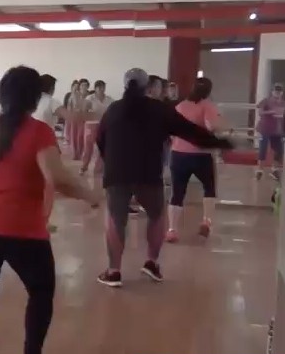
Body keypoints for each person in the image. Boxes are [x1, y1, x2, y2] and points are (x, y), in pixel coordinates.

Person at [0, 66, 99, 354]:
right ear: (34, 99)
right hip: (21, 227)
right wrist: (93, 197)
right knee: (41, 290)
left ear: (2, 96)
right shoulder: (39, 132)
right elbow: (57, 178)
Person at [96, 68, 233, 288]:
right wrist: (221, 143)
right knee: (156, 216)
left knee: (115, 219)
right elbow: (190, 132)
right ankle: (151, 262)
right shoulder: (159, 110)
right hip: (148, 172)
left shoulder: (113, 109)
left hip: (117, 172)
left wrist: (110, 160)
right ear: (146, 86)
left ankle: (114, 272)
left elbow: (100, 138)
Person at [166, 78, 228, 243]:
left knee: (177, 192)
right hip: (201, 154)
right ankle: (206, 220)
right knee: (209, 188)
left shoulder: (179, 106)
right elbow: (211, 126)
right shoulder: (207, 105)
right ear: (208, 91)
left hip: (178, 154)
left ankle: (172, 230)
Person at [33, 74, 67, 233]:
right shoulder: (51, 101)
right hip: (46, 144)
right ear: (51, 88)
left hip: (29, 143)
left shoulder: (31, 100)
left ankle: (33, 219)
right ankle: (43, 221)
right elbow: (69, 116)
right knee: (49, 183)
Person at [255, 83, 285, 180]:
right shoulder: (266, 101)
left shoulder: (283, 103)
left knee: (279, 150)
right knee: (263, 148)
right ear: (272, 91)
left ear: (281, 92)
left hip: (276, 130)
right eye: (276, 91)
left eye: (279, 91)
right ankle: (260, 169)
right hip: (265, 128)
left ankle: (275, 169)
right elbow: (260, 112)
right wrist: (271, 112)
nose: (277, 93)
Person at [80, 80, 113, 176]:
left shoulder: (109, 99)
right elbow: (84, 111)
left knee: (102, 147)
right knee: (88, 147)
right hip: (91, 124)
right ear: (95, 89)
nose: (101, 89)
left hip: (104, 125)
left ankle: (99, 168)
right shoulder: (90, 98)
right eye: (99, 87)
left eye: (103, 87)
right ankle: (84, 166)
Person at [66, 80, 86, 160]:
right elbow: (68, 108)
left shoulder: (82, 96)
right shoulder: (70, 96)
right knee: (73, 136)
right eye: (74, 86)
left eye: (77, 87)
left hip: (81, 118)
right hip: (73, 118)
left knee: (80, 136)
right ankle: (75, 154)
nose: (76, 88)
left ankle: (79, 153)